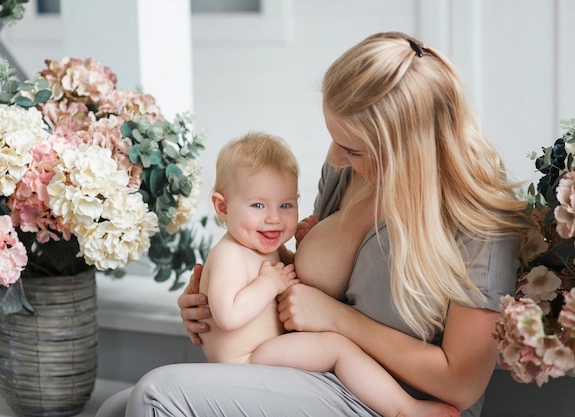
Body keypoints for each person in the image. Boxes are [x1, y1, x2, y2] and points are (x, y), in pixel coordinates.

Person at [96, 31, 530, 417]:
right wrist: (220, 302)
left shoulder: (479, 226)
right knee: (117, 406)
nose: (337, 160)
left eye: (353, 149)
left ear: (405, 147)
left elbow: (461, 383)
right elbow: (292, 281)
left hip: (395, 401)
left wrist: (339, 320)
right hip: (312, 371)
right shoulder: (351, 175)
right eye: (335, 141)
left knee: (155, 394)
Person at [197, 132, 459, 417]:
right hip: (244, 363)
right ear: (222, 207)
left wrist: (304, 244)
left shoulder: (264, 249)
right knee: (336, 348)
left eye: (285, 205)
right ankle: (404, 409)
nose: (274, 218)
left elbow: (295, 278)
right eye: (258, 205)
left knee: (337, 349)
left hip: (264, 354)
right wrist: (267, 284)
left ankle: (402, 406)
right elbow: (228, 315)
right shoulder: (228, 254)